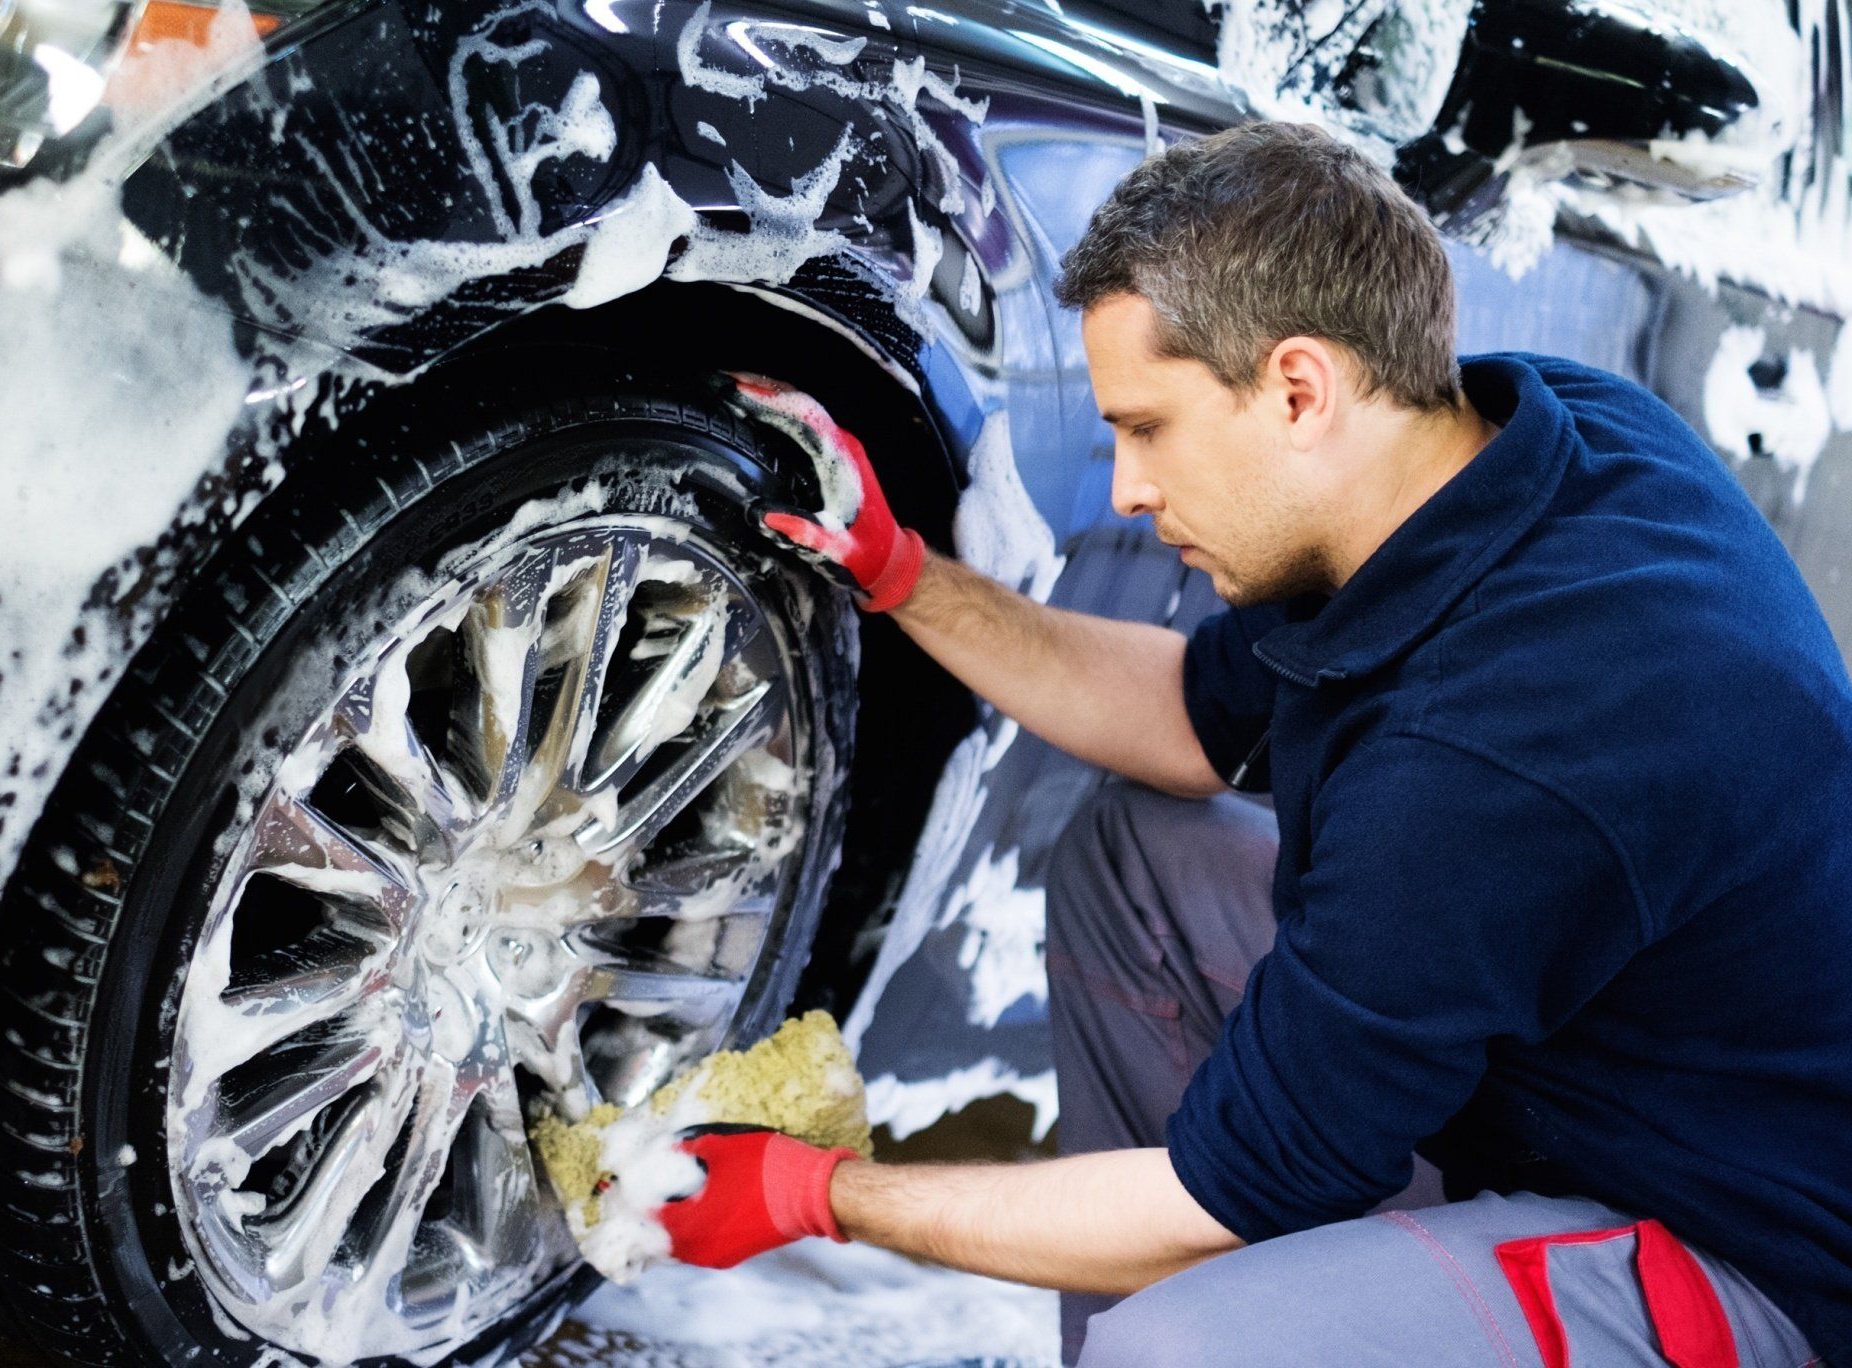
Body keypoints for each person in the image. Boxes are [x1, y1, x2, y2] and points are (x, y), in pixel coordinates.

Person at [659, 122, 1852, 1367]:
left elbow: (1217, 1200)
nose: (1125, 486)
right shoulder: (1520, 448)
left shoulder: (1496, 752)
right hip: (1589, 1094)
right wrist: (907, 578)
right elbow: (1183, 715)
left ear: (1298, 389)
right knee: (1135, 859)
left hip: (1744, 1258)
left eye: (1149, 427)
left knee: (1179, 1346)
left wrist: (817, 1196)